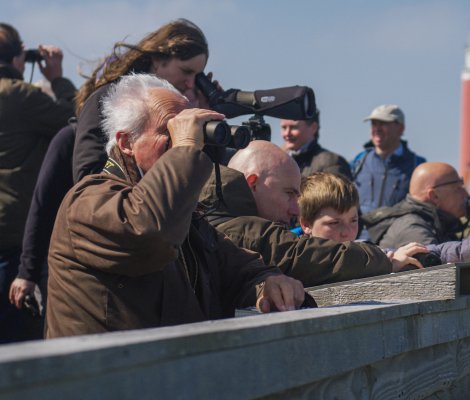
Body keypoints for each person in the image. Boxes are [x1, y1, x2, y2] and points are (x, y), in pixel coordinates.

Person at [45, 74, 303, 338]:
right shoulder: (88, 201)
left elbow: (232, 265)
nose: (185, 141)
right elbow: (151, 231)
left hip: (166, 371)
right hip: (104, 375)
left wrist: (267, 282)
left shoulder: (182, 214)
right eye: (169, 131)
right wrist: (187, 148)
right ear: (126, 143)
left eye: (187, 132)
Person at [198, 140, 397, 287]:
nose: (295, 209)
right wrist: (386, 259)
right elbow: (297, 255)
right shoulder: (236, 228)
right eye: (289, 194)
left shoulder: (212, 215)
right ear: (252, 183)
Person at [0, 22, 76, 343]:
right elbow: (77, 119)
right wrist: (57, 77)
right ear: (19, 58)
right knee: (17, 343)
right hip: (13, 238)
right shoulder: (20, 96)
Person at [73, 18, 214, 183]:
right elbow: (87, 176)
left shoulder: (184, 108)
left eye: (197, 76)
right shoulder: (107, 97)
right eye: (186, 71)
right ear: (158, 61)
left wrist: (205, 122)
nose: (190, 83)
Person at [299, 172, 470, 265]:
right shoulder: (295, 259)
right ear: (305, 225)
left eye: (354, 220)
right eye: (334, 223)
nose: (347, 232)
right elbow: (434, 267)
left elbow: (430, 252)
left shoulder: (362, 251)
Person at [362, 162, 470, 254]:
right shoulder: (411, 227)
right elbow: (448, 275)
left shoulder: (438, 222)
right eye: (458, 188)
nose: (466, 194)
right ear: (434, 196)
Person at [351, 104, 426, 216]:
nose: (377, 129)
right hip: (361, 232)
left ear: (401, 128)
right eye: (374, 124)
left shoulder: (418, 166)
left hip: (398, 232)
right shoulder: (358, 161)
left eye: (383, 124)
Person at [280, 110, 351, 179]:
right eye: (284, 128)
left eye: (293, 127)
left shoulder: (331, 162)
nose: (287, 133)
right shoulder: (279, 161)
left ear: (313, 127)